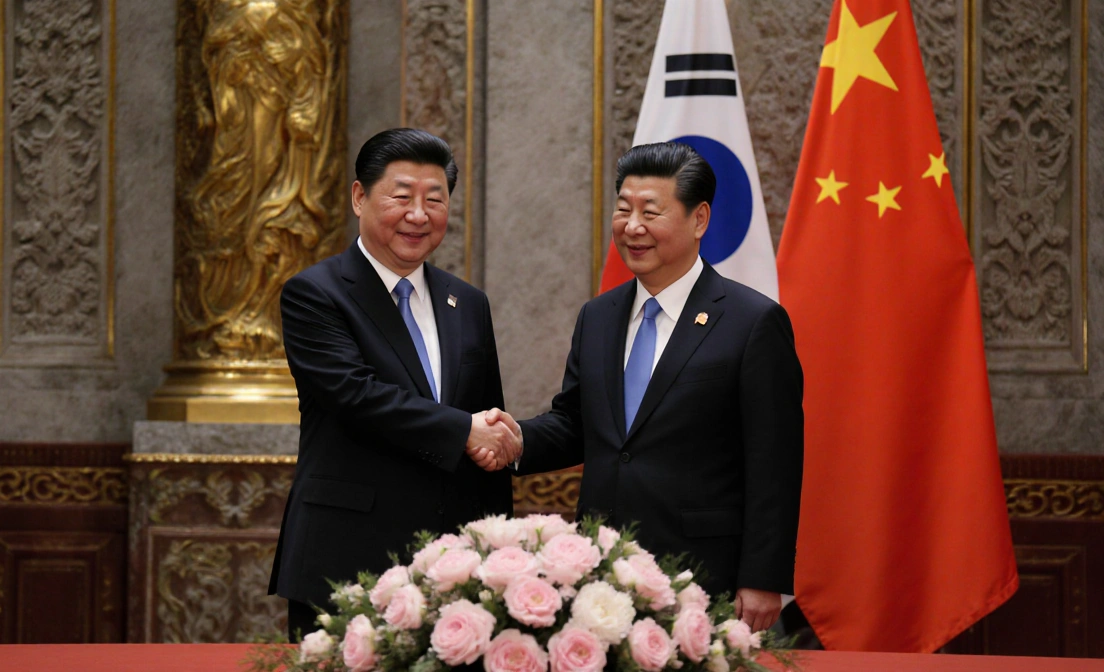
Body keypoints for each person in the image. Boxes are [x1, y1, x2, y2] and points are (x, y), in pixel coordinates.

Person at [489, 141, 803, 632]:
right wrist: (516, 439)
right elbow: (575, 421)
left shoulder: (752, 322)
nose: (632, 227)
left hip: (704, 572)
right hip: (601, 569)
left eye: (650, 212)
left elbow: (774, 462)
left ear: (698, 220)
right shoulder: (599, 316)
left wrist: (763, 577)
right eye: (623, 210)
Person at [268, 128, 522, 639]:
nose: (418, 215)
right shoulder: (315, 294)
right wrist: (465, 430)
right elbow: (353, 394)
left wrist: (501, 550)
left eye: (435, 199)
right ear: (360, 197)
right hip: (347, 557)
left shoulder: (467, 302)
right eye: (401, 196)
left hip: (454, 570)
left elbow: (484, 420)